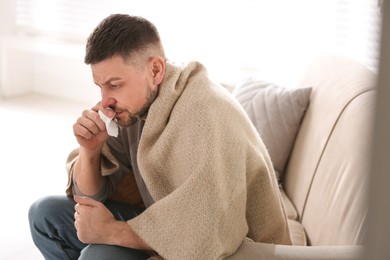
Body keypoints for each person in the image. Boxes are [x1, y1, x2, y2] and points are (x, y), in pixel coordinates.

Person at [28, 14, 291, 260]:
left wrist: (109, 232)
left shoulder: (206, 112)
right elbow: (90, 198)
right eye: (100, 86)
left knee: (97, 255)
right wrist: (90, 150)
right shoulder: (132, 107)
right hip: (166, 225)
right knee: (45, 215)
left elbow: (208, 233)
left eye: (115, 85)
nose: (105, 101)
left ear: (155, 70)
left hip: (233, 247)